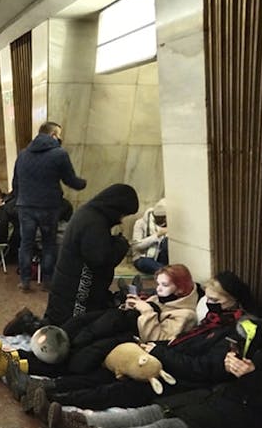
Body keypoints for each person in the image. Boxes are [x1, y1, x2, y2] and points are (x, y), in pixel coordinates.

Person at [27, 271, 253, 413]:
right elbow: (176, 344)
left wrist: (157, 345)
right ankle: (48, 386)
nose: (210, 304)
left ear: (234, 302)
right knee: (103, 364)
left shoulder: (227, 332)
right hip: (160, 356)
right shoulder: (210, 322)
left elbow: (200, 367)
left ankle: (55, 398)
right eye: (208, 299)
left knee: (120, 388)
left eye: (216, 300)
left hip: (176, 377)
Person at [45, 332, 262, 428]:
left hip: (253, 421)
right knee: (155, 411)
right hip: (229, 395)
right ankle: (80, 420)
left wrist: (251, 376)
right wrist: (236, 363)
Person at [0, 264, 200, 392]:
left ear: (180, 289)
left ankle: (12, 360)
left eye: (164, 285)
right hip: (123, 330)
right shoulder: (163, 299)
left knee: (77, 352)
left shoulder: (185, 314)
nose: (159, 289)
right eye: (159, 284)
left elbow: (160, 338)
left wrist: (146, 312)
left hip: (136, 343)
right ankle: (13, 358)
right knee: (80, 328)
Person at [43, 183, 139, 325]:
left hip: (70, 287)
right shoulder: (94, 221)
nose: (121, 219)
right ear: (116, 207)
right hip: (78, 290)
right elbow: (99, 259)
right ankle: (29, 325)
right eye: (123, 214)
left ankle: (33, 326)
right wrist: (121, 245)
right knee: (72, 328)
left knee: (60, 323)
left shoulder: (89, 215)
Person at [12, 122, 87, 291]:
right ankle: (47, 280)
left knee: (26, 244)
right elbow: (70, 180)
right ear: (53, 135)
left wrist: (21, 199)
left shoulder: (23, 154)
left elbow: (15, 182)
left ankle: (24, 280)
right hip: (49, 206)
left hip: (26, 206)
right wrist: (84, 183)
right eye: (59, 134)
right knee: (48, 244)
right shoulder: (59, 154)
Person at [132, 198, 169, 273]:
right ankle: (169, 272)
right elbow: (136, 246)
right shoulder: (140, 223)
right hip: (144, 257)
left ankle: (166, 271)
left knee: (166, 242)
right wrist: (157, 235)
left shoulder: (170, 224)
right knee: (144, 263)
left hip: (161, 257)